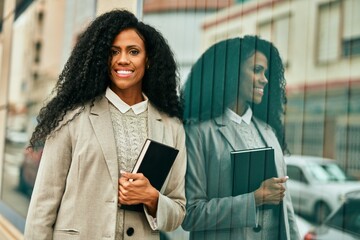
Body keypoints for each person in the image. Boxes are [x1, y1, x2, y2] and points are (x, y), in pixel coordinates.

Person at [24, 9, 186, 240]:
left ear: (148, 59)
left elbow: (178, 212)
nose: (122, 59)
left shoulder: (171, 127)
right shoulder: (72, 118)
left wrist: (152, 197)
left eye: (133, 51)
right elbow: (42, 206)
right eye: (113, 52)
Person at [181, 36, 300, 239]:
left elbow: (286, 211)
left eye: (266, 72)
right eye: (256, 70)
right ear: (231, 73)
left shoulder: (269, 132)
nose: (265, 79)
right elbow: (190, 214)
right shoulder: (199, 133)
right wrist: (254, 199)